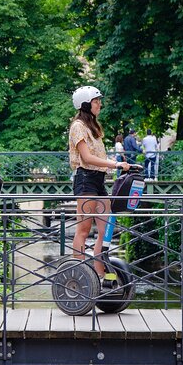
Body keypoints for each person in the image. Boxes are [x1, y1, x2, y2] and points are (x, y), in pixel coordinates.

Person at [69, 86, 131, 278]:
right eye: (96, 101)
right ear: (86, 104)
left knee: (105, 230)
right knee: (84, 229)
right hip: (85, 179)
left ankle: (100, 274)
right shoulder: (78, 126)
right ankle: (78, 275)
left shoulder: (93, 127)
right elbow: (86, 158)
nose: (100, 105)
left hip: (98, 180)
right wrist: (115, 164)